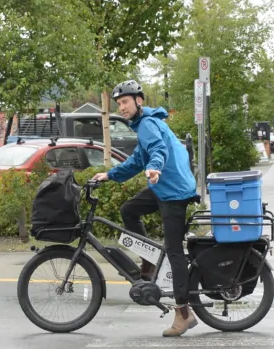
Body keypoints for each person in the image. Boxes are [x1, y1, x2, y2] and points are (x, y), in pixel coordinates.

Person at [92, 80, 199, 337]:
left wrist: (155, 169)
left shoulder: (149, 124)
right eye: (119, 103)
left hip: (173, 191)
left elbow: (158, 151)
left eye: (125, 101)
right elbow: (137, 161)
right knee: (130, 210)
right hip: (163, 185)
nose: (122, 107)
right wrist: (109, 174)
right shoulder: (144, 125)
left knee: (174, 251)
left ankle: (184, 313)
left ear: (139, 101)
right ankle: (150, 260)